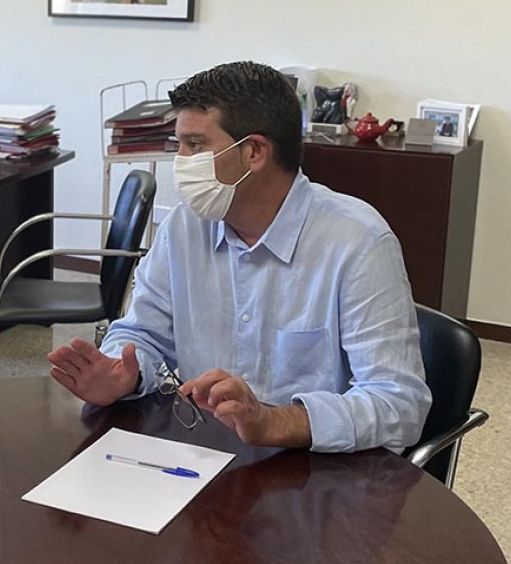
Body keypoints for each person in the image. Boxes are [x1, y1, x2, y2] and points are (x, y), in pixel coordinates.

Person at [48, 61, 431, 454]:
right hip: (206, 457)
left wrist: (275, 421)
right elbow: (141, 333)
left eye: (195, 145)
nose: (180, 162)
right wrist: (121, 373)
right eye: (178, 145)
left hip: (318, 474)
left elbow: (399, 405)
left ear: (254, 152)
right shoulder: (184, 226)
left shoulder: (357, 243)